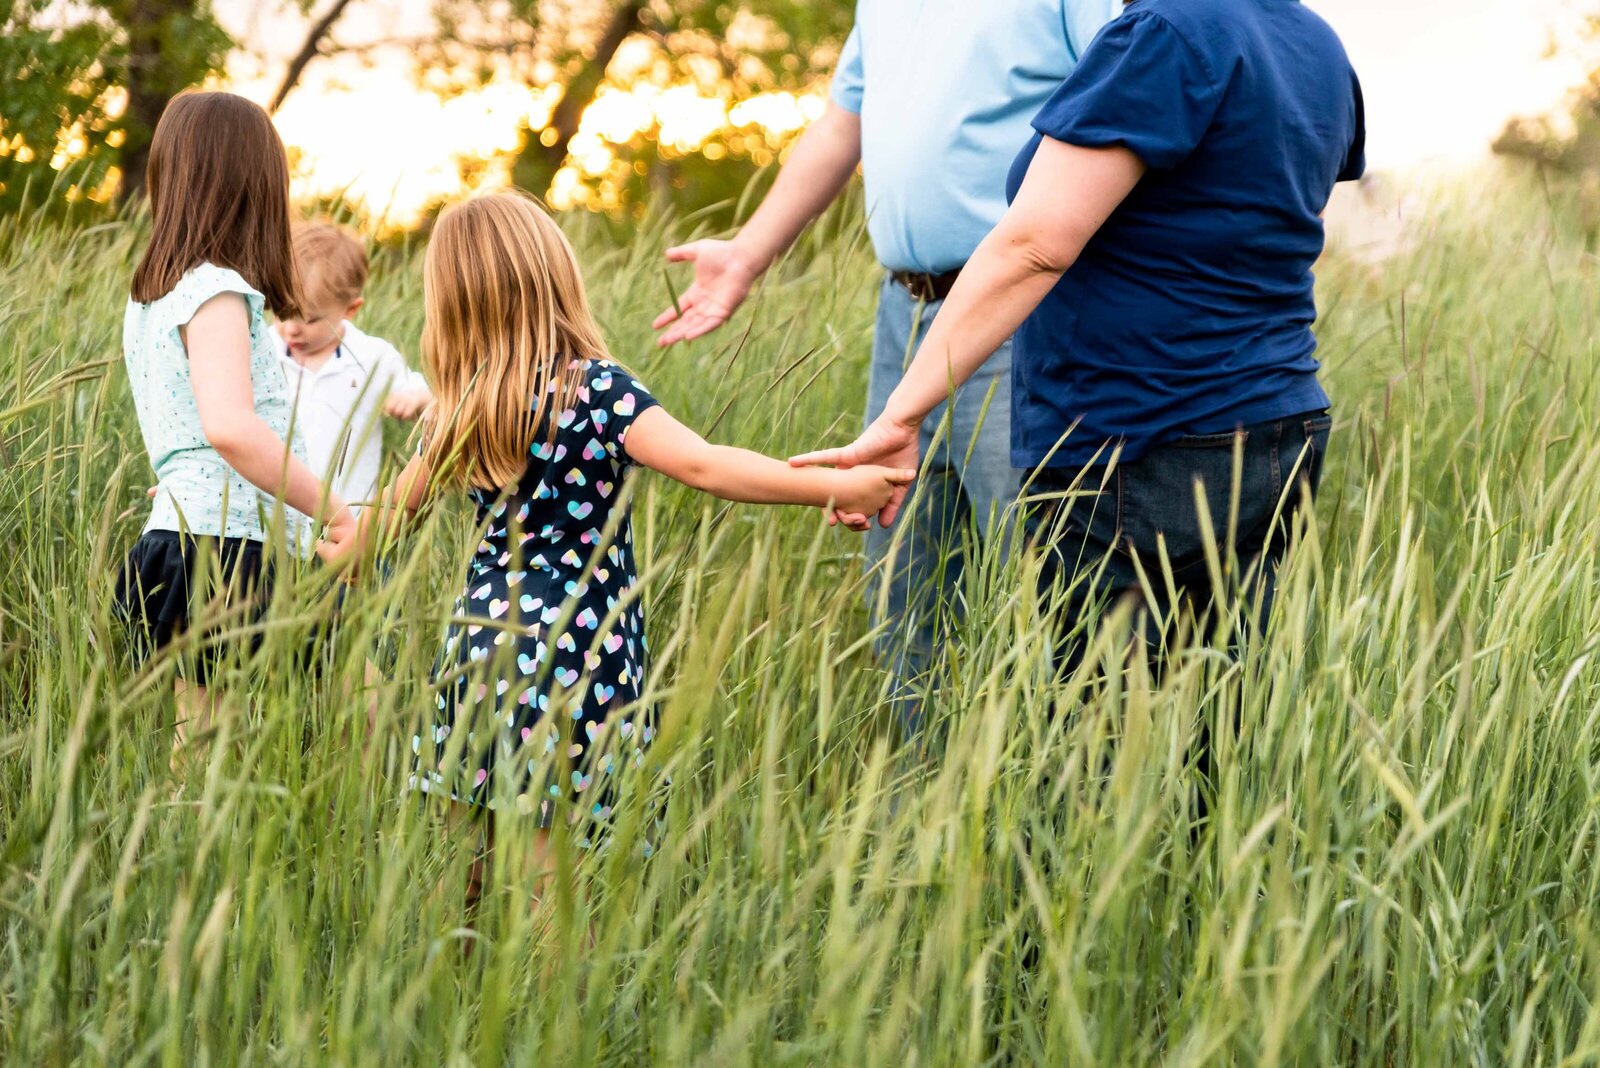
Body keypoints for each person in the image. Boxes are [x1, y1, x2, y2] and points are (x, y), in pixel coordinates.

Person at [347, 192, 912, 898]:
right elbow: (705, 465)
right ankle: (550, 1008)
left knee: (464, 878)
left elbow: (370, 531)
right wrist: (837, 487)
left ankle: (448, 1003)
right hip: (575, 660)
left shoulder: (457, 408)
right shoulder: (599, 392)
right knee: (555, 886)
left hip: (476, 650)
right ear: (556, 278)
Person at [793, 0, 1366, 670]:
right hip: (1276, 420)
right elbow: (1282, 220)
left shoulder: (1161, 33)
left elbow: (1036, 244)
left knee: (1097, 737)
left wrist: (904, 411)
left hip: (1144, 438)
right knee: (1219, 714)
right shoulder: (1314, 42)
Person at [652, 0, 1118, 726]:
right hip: (903, 315)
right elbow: (844, 123)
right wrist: (748, 254)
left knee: (1037, 579)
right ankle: (927, 807)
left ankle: (1058, 814)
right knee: (901, 582)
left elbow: (1121, 98)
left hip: (1021, 313)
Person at [114, 92, 356, 767]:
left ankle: (183, 865)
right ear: (256, 187)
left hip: (182, 536)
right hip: (224, 547)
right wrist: (333, 511)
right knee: (216, 754)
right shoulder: (216, 290)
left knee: (199, 751)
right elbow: (229, 426)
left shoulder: (155, 296)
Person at [273, 222, 433, 513]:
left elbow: (428, 400)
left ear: (351, 310)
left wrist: (413, 400)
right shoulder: (264, 351)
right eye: (281, 311)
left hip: (346, 519)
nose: (291, 328)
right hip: (275, 523)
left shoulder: (371, 357)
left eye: (309, 320)